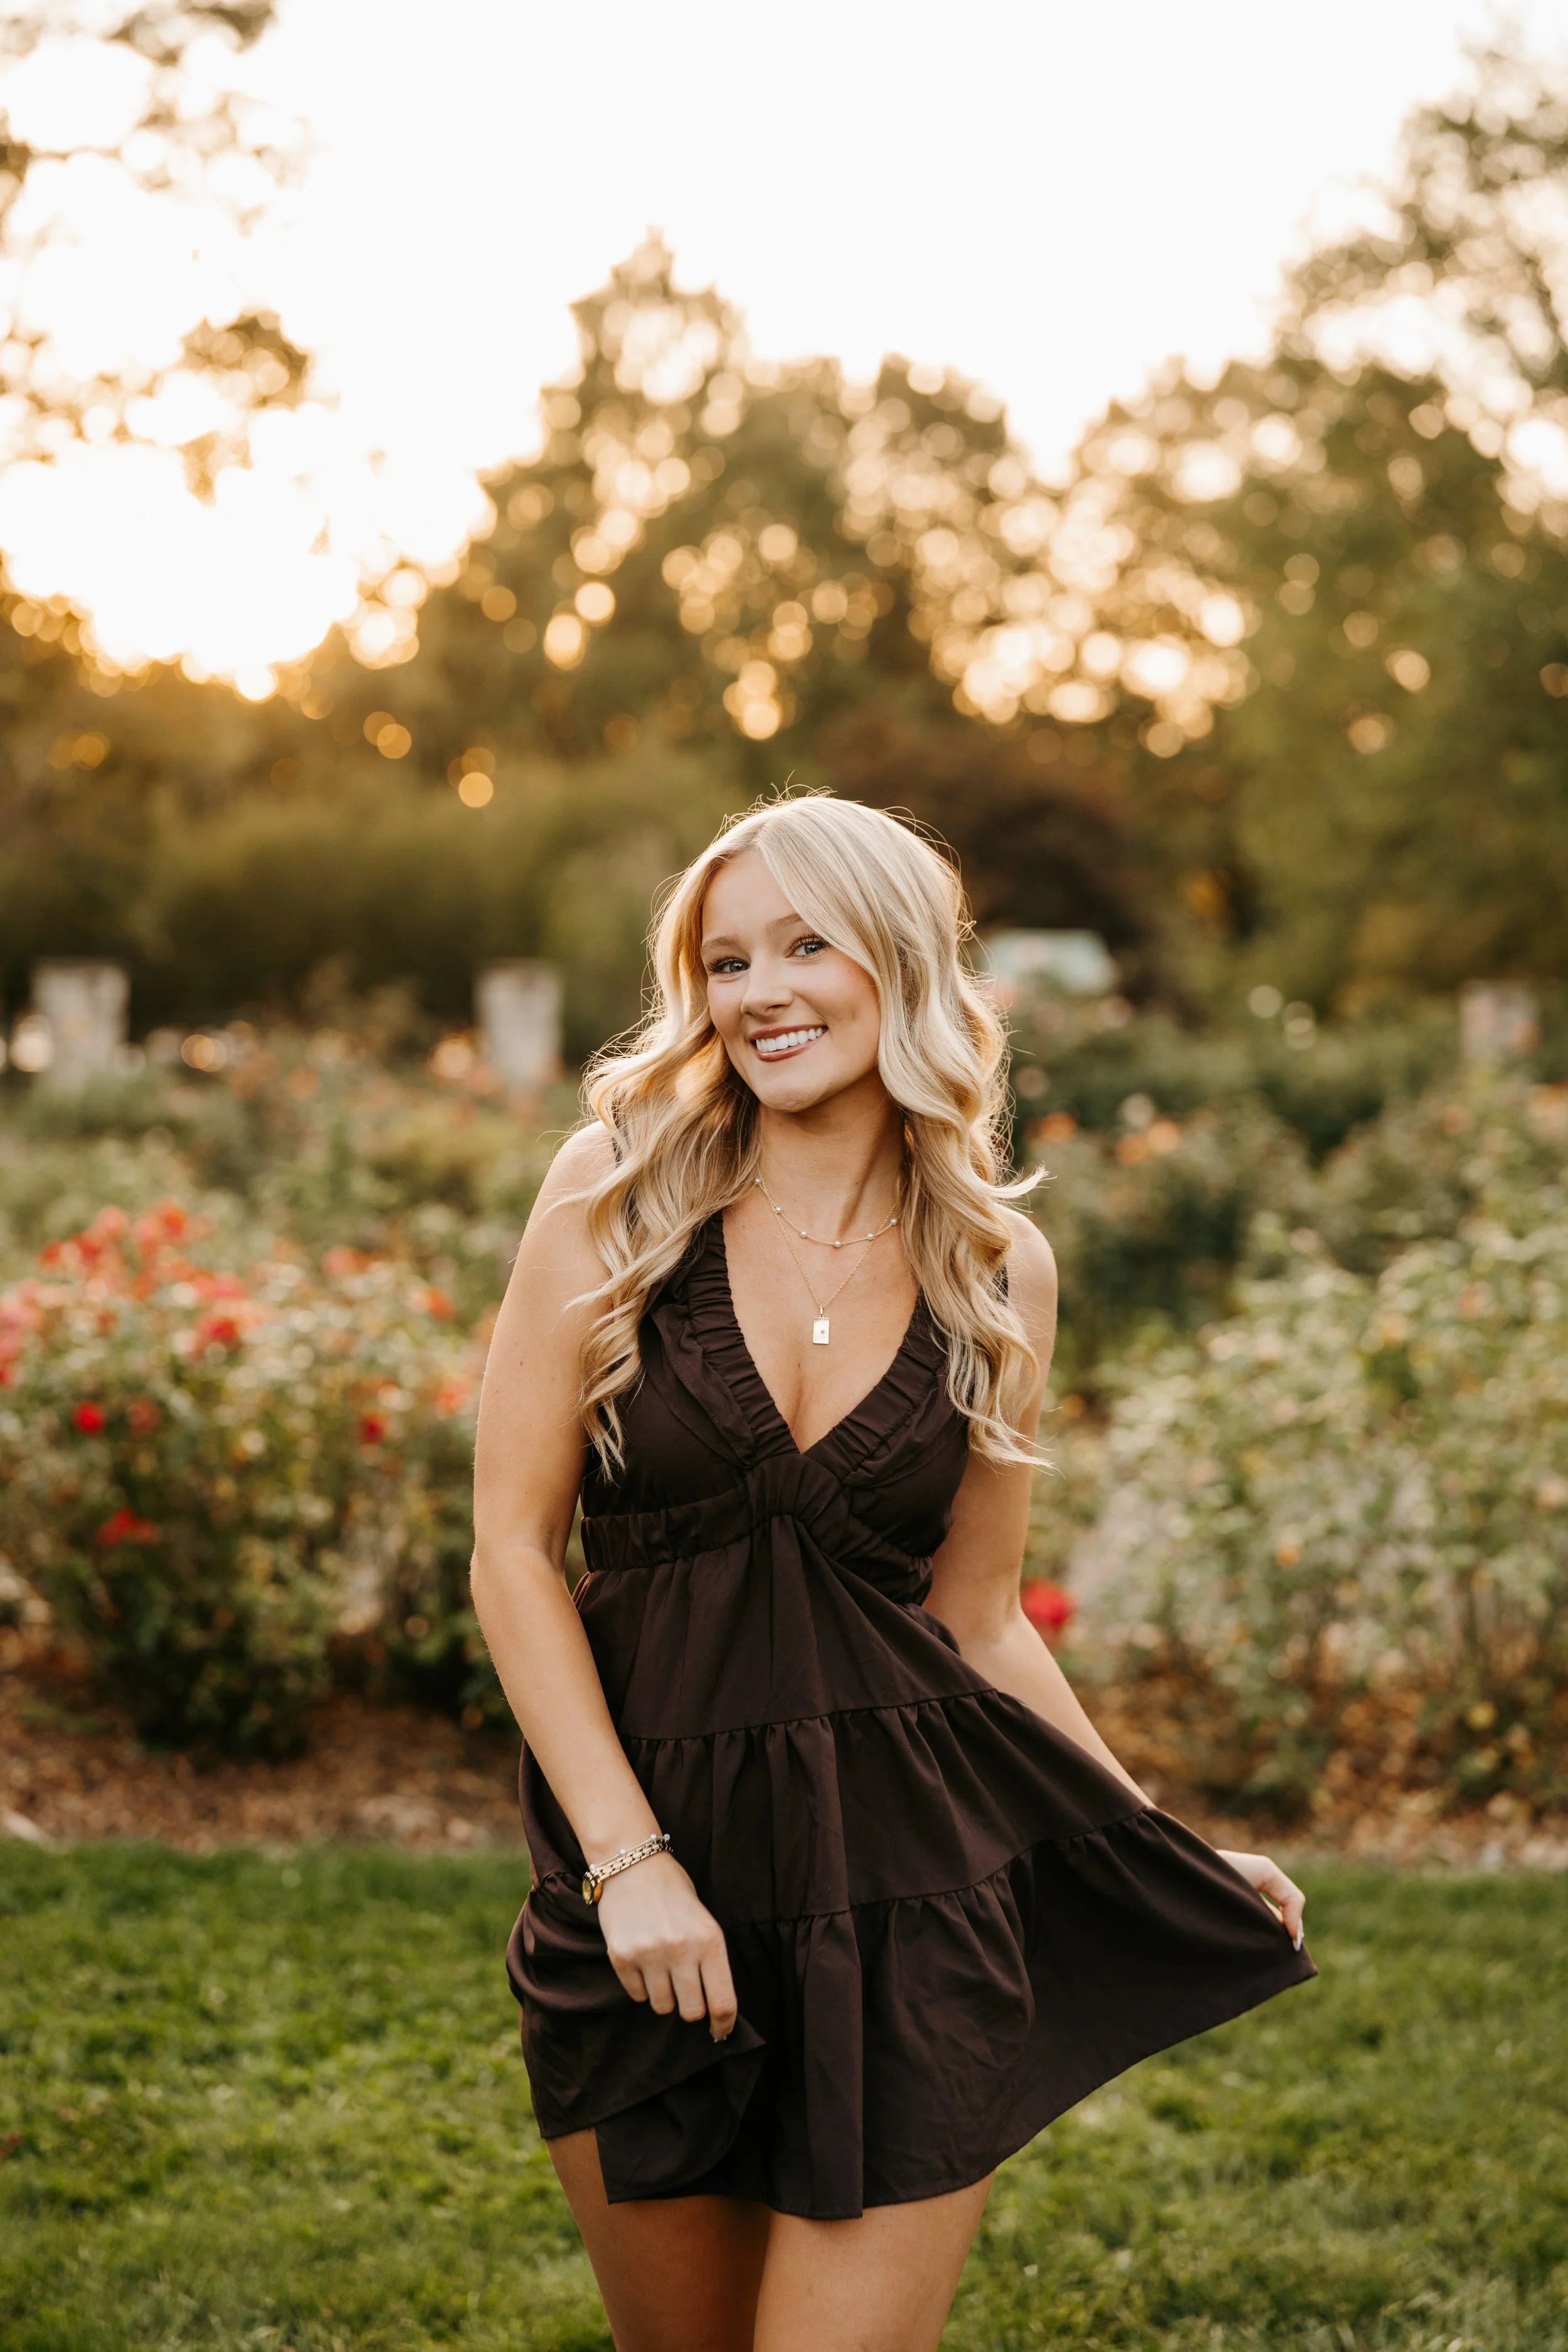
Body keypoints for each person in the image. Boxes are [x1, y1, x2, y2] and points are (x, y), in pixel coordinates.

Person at [470, 795, 1313, 2352]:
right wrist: (626, 1862)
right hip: (652, 1896)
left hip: (909, 1899)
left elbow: (974, 1621)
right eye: (727, 961)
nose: (761, 991)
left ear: (903, 962)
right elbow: (511, 1553)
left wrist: (1152, 1838)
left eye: (806, 944)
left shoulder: (997, 1270)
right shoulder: (615, 1190)